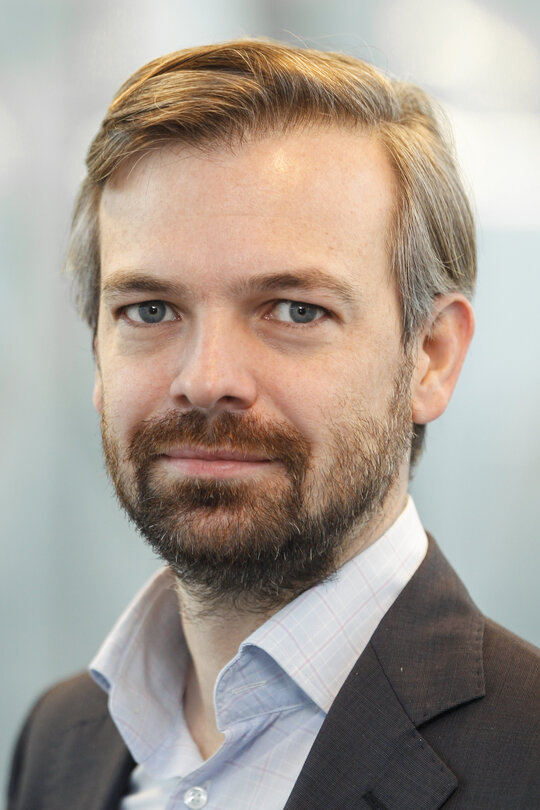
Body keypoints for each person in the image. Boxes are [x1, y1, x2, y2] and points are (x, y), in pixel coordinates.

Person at [8, 39, 539, 810]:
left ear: (431, 356)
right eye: (149, 310)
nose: (206, 379)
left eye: (296, 310)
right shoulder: (59, 741)